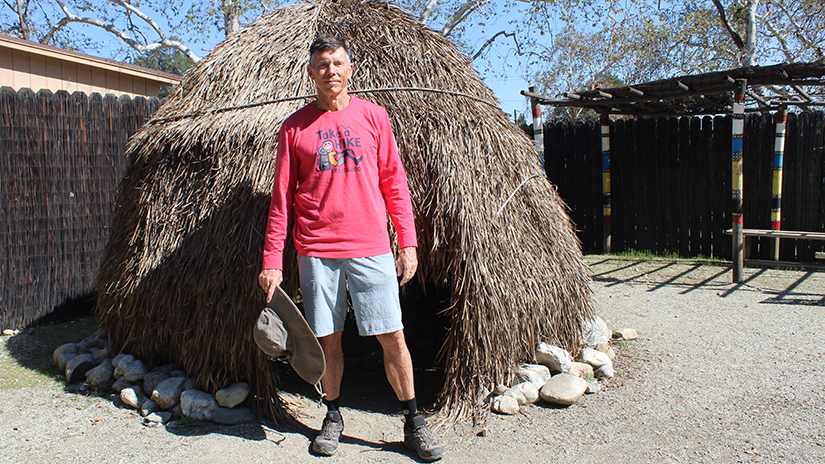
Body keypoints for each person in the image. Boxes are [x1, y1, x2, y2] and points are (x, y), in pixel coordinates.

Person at [258, 35, 445, 462]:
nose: (331, 71)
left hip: (371, 247)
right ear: (311, 72)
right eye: (322, 64)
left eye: (338, 63)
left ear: (350, 68)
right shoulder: (295, 127)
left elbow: (394, 184)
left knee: (391, 335)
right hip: (317, 251)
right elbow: (281, 201)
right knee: (327, 338)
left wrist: (408, 242)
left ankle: (413, 420)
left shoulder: (374, 117)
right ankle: (333, 414)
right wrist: (272, 261)